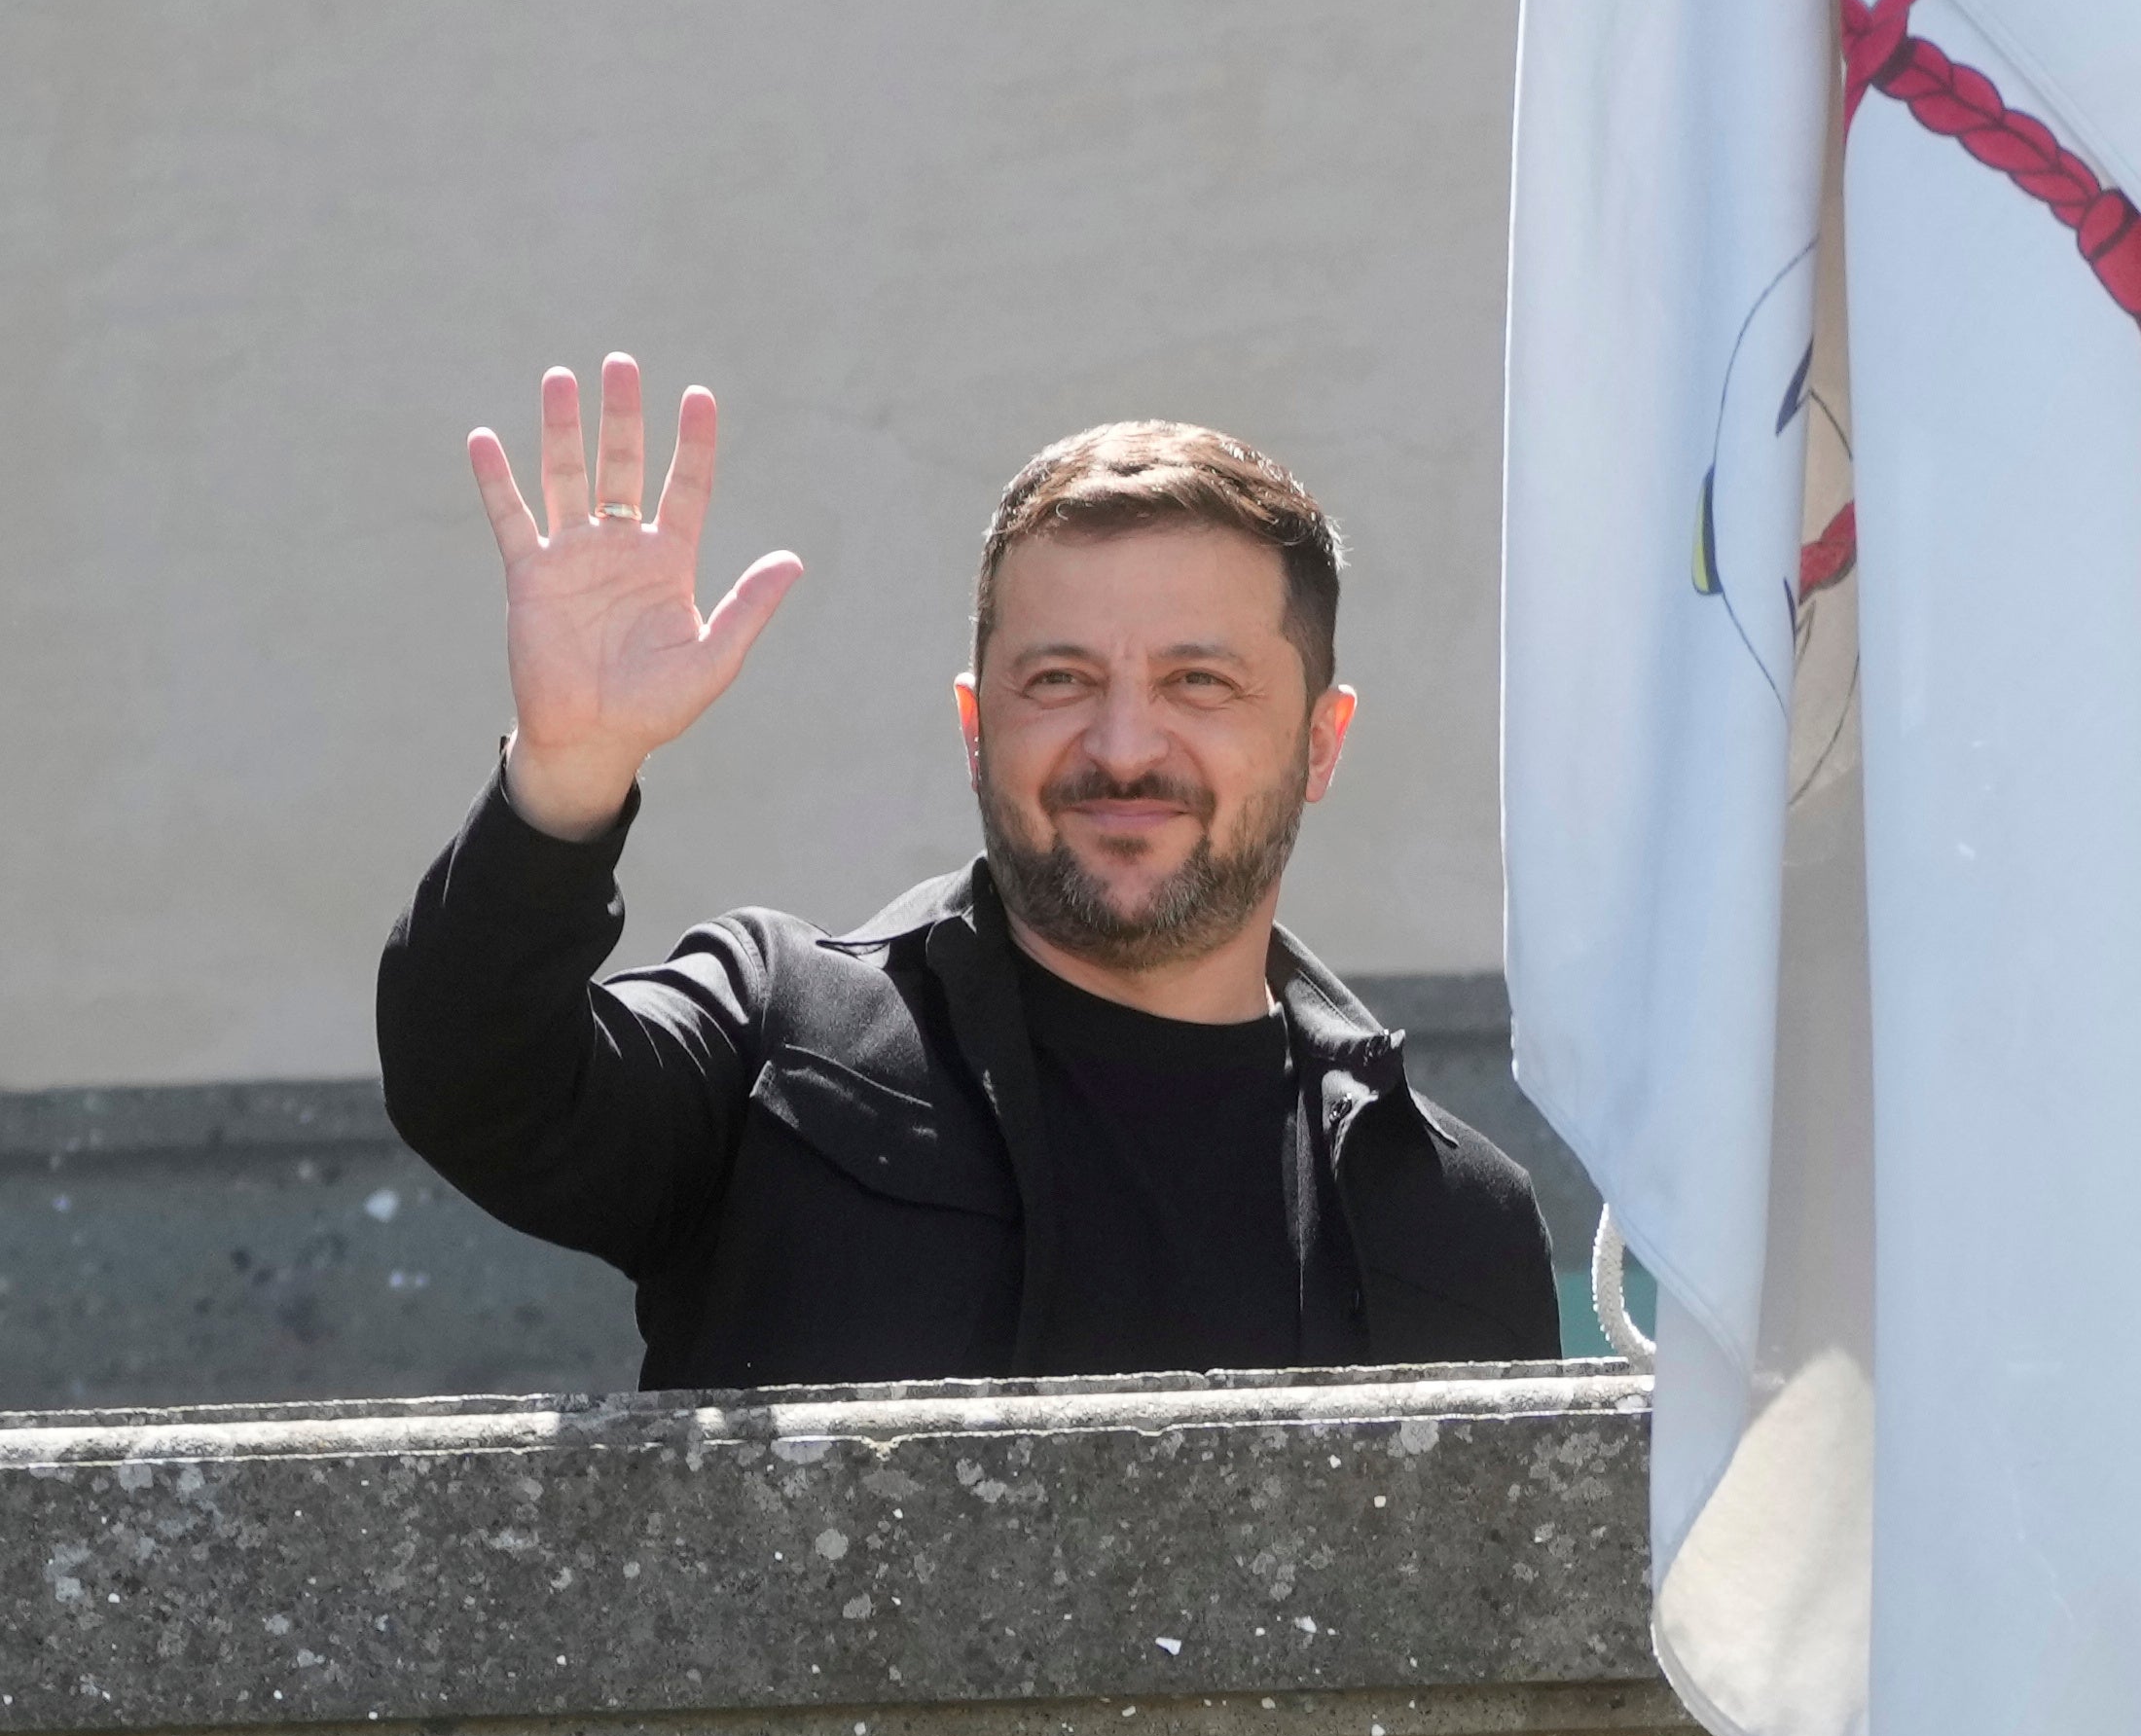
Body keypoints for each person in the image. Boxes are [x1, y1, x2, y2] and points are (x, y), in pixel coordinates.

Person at [379, 359, 1558, 1387]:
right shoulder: (778, 1039)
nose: (1124, 746)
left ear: (1319, 742)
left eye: (1201, 683)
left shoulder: (1454, 1221)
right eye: (1059, 681)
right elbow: (479, 1085)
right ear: (974, 724)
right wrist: (566, 778)